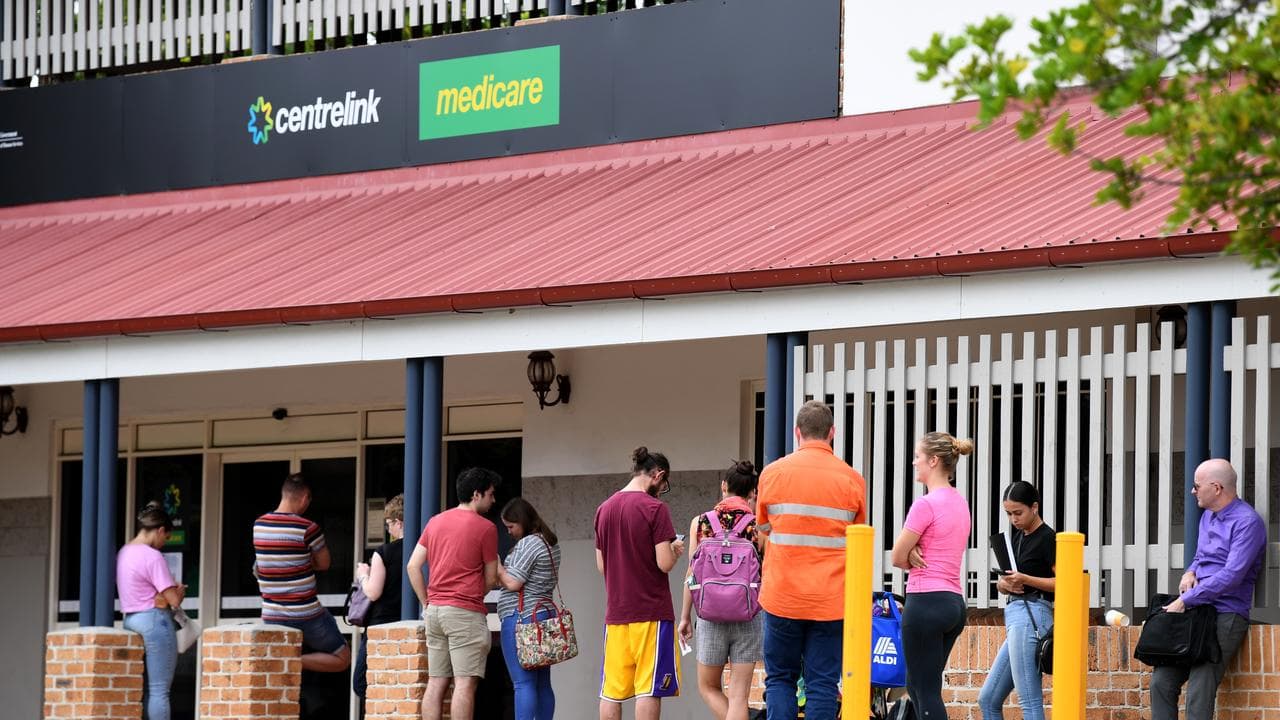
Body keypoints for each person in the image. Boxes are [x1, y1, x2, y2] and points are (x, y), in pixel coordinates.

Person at [756, 400, 866, 720]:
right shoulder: (852, 479)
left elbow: (764, 527)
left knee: (780, 679)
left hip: (782, 596)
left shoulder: (772, 473)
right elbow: (858, 539)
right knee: (822, 683)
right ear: (832, 433)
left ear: (797, 432)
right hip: (830, 600)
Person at [1151, 458, 1266, 720]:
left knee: (1200, 690)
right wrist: (1190, 571)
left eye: (1196, 485)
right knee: (1161, 682)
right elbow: (1201, 556)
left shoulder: (1248, 522)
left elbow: (1232, 576)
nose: (1192, 491)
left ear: (1216, 487)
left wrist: (1186, 599)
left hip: (1226, 614)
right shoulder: (1207, 517)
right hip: (1197, 610)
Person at [595, 447, 686, 720]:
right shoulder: (655, 508)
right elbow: (664, 563)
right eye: (664, 484)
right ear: (658, 475)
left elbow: (602, 566)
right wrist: (676, 550)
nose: (662, 490)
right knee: (649, 688)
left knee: (611, 690)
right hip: (651, 613)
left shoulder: (604, 509)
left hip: (616, 613)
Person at [891, 431, 973, 720]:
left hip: (925, 602)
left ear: (934, 461)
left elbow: (897, 557)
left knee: (925, 691)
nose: (914, 463)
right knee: (917, 685)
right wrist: (913, 550)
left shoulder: (925, 505)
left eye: (918, 457)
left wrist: (911, 552)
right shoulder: (961, 503)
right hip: (953, 604)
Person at [408, 467, 501, 720]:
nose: (493, 500)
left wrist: (427, 602)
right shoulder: (486, 528)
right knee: (464, 683)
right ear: (476, 494)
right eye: (490, 494)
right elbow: (491, 578)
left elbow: (413, 566)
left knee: (436, 682)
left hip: (435, 612)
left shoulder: (435, 522)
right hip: (464, 612)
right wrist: (471, 596)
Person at [678, 460, 763, 720]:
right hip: (748, 616)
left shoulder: (701, 523)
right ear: (753, 494)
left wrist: (684, 616)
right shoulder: (758, 526)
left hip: (709, 616)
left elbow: (692, 576)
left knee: (708, 687)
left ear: (723, 486)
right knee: (738, 696)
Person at [253, 473, 351, 672]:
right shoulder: (308, 528)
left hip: (272, 614)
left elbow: (261, 565)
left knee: (276, 671)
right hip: (307, 614)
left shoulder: (259, 525)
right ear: (305, 497)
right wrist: (302, 561)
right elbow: (324, 564)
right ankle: (294, 660)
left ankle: (286, 662)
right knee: (343, 657)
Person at [978, 481, 1056, 720]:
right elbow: (1008, 582)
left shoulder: (1048, 538)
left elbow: (1063, 583)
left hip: (1033, 614)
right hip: (1015, 614)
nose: (1014, 519)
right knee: (988, 699)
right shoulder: (1018, 538)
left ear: (1035, 507)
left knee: (1029, 701)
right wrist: (1004, 584)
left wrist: (1026, 579)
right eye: (1009, 514)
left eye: (1018, 513)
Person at [495, 497, 563, 720]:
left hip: (522, 617)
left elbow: (514, 583)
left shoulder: (528, 544)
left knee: (522, 683)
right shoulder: (550, 543)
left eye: (511, 526)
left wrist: (496, 565)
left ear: (522, 521)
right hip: (544, 616)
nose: (509, 532)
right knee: (542, 683)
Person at [118, 502, 185, 720]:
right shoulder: (152, 556)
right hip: (155, 622)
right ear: (161, 530)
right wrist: (179, 591)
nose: (163, 544)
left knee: (139, 690)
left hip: (130, 621)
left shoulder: (124, 552)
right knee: (159, 691)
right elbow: (173, 600)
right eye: (165, 538)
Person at [353, 493, 406, 701]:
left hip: (381, 626)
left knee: (362, 683)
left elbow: (373, 592)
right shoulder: (423, 550)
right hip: (408, 622)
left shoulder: (384, 552)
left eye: (388, 524)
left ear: (398, 523)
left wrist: (363, 575)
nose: (388, 530)